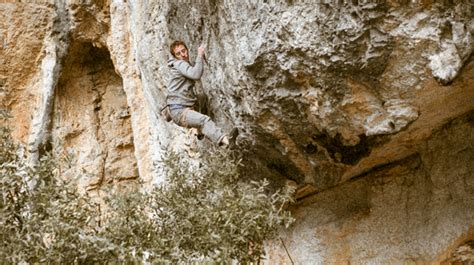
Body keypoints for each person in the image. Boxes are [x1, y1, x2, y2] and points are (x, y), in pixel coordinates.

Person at [165, 40, 231, 146]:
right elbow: (196, 74)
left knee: (202, 98)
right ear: (175, 56)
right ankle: (226, 141)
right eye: (178, 53)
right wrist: (200, 55)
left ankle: (199, 131)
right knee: (204, 120)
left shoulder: (180, 65)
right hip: (180, 111)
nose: (183, 55)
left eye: (184, 51)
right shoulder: (180, 64)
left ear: (187, 49)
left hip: (179, 106)